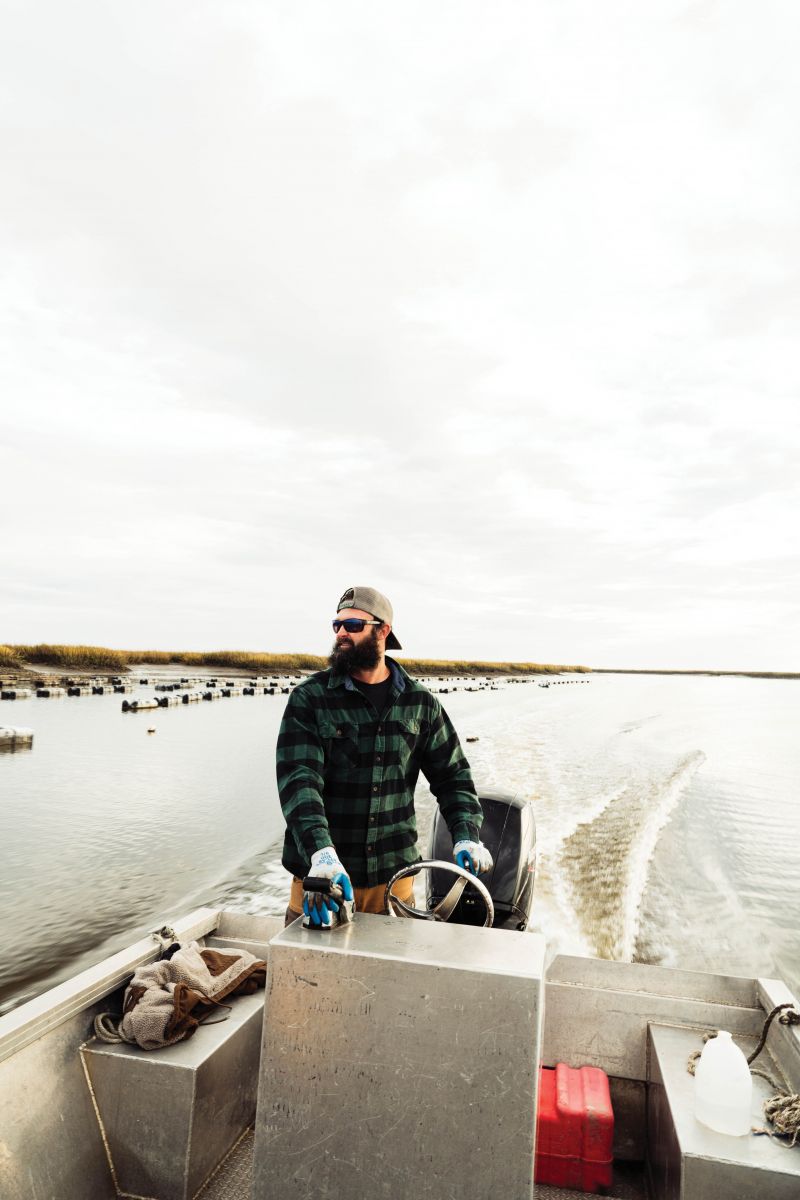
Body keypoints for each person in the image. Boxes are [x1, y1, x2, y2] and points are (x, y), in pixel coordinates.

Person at [276, 585, 493, 926]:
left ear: (383, 630)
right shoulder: (310, 699)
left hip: (395, 881)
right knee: (306, 975)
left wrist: (466, 833)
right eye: (337, 626)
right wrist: (321, 853)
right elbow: (298, 781)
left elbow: (453, 778)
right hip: (321, 881)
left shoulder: (420, 703)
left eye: (353, 625)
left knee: (393, 978)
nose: (342, 633)